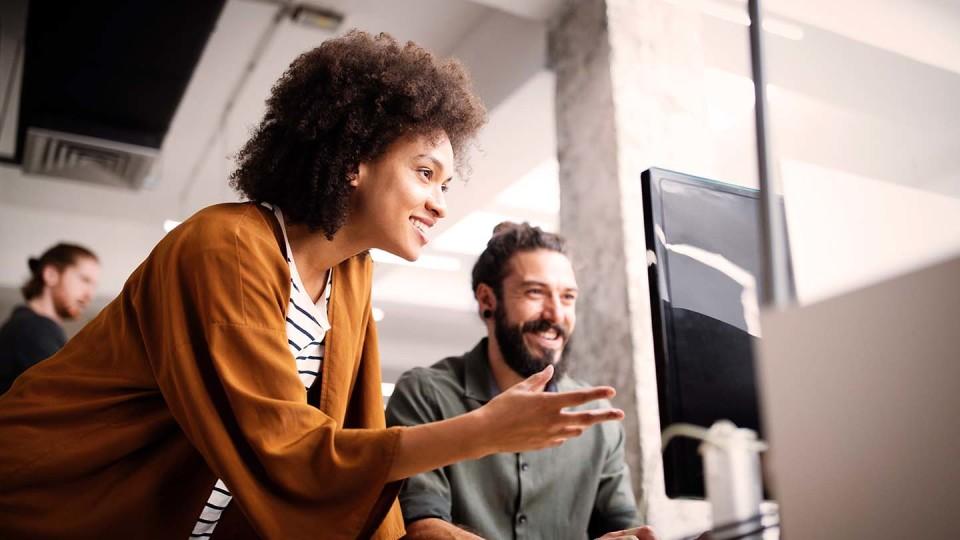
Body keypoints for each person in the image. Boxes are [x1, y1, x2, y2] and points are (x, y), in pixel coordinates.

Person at [0, 31, 625, 540]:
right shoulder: (227, 247)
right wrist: (483, 430)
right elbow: (288, 451)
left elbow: (348, 441)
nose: (438, 204)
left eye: (445, 184)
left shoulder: (351, 275)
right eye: (426, 172)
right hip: (48, 502)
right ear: (355, 157)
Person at [387, 223, 657, 540]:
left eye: (568, 297)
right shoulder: (425, 394)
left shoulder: (597, 416)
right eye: (535, 292)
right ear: (487, 299)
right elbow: (421, 528)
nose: (556, 314)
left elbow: (624, 528)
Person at [0, 243, 99, 395]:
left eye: (94, 286)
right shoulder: (33, 328)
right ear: (51, 275)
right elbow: (67, 397)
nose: (89, 295)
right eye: (84, 280)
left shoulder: (27, 325)